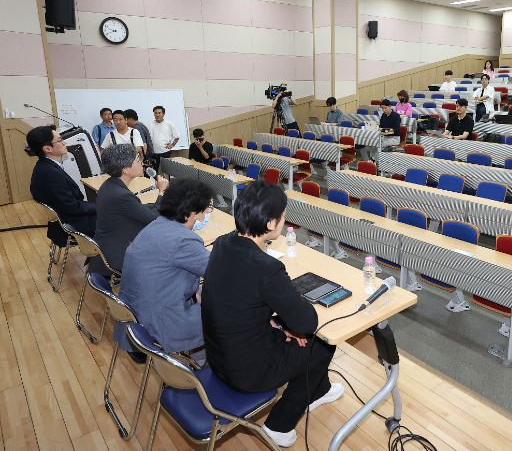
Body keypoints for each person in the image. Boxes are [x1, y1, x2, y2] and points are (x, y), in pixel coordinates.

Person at [201, 181, 343, 448]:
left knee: (297, 337)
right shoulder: (266, 268)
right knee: (323, 345)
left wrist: (280, 322)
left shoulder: (223, 243)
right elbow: (308, 321)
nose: (284, 219)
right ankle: (279, 425)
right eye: (282, 215)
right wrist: (290, 316)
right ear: (269, 224)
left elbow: (237, 297)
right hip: (246, 372)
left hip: (217, 357)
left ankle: (319, 389)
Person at [113, 177, 213, 355]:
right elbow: (220, 271)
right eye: (205, 211)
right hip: (160, 323)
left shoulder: (156, 225)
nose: (206, 216)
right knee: (228, 311)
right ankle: (202, 367)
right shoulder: (184, 240)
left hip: (136, 315)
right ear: (192, 214)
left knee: (206, 294)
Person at [88, 144, 168, 276]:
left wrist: (154, 205)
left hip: (107, 245)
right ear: (125, 170)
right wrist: (162, 192)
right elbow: (153, 218)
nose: (142, 163)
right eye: (137, 160)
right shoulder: (121, 195)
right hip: (118, 255)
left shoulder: (110, 184)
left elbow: (136, 209)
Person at [29, 125, 97, 239]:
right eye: (60, 140)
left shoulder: (44, 166)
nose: (64, 142)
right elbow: (73, 208)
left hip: (66, 218)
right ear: (47, 148)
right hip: (72, 223)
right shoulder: (50, 174)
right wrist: (98, 207)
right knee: (118, 217)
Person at [149, 106, 181, 173]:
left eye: (159, 113)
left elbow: (177, 136)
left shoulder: (168, 124)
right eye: (155, 113)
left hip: (165, 151)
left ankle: (167, 183)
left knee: (167, 170)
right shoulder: (150, 124)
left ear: (163, 114)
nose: (157, 115)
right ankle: (155, 183)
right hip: (154, 152)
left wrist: (172, 144)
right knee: (154, 171)